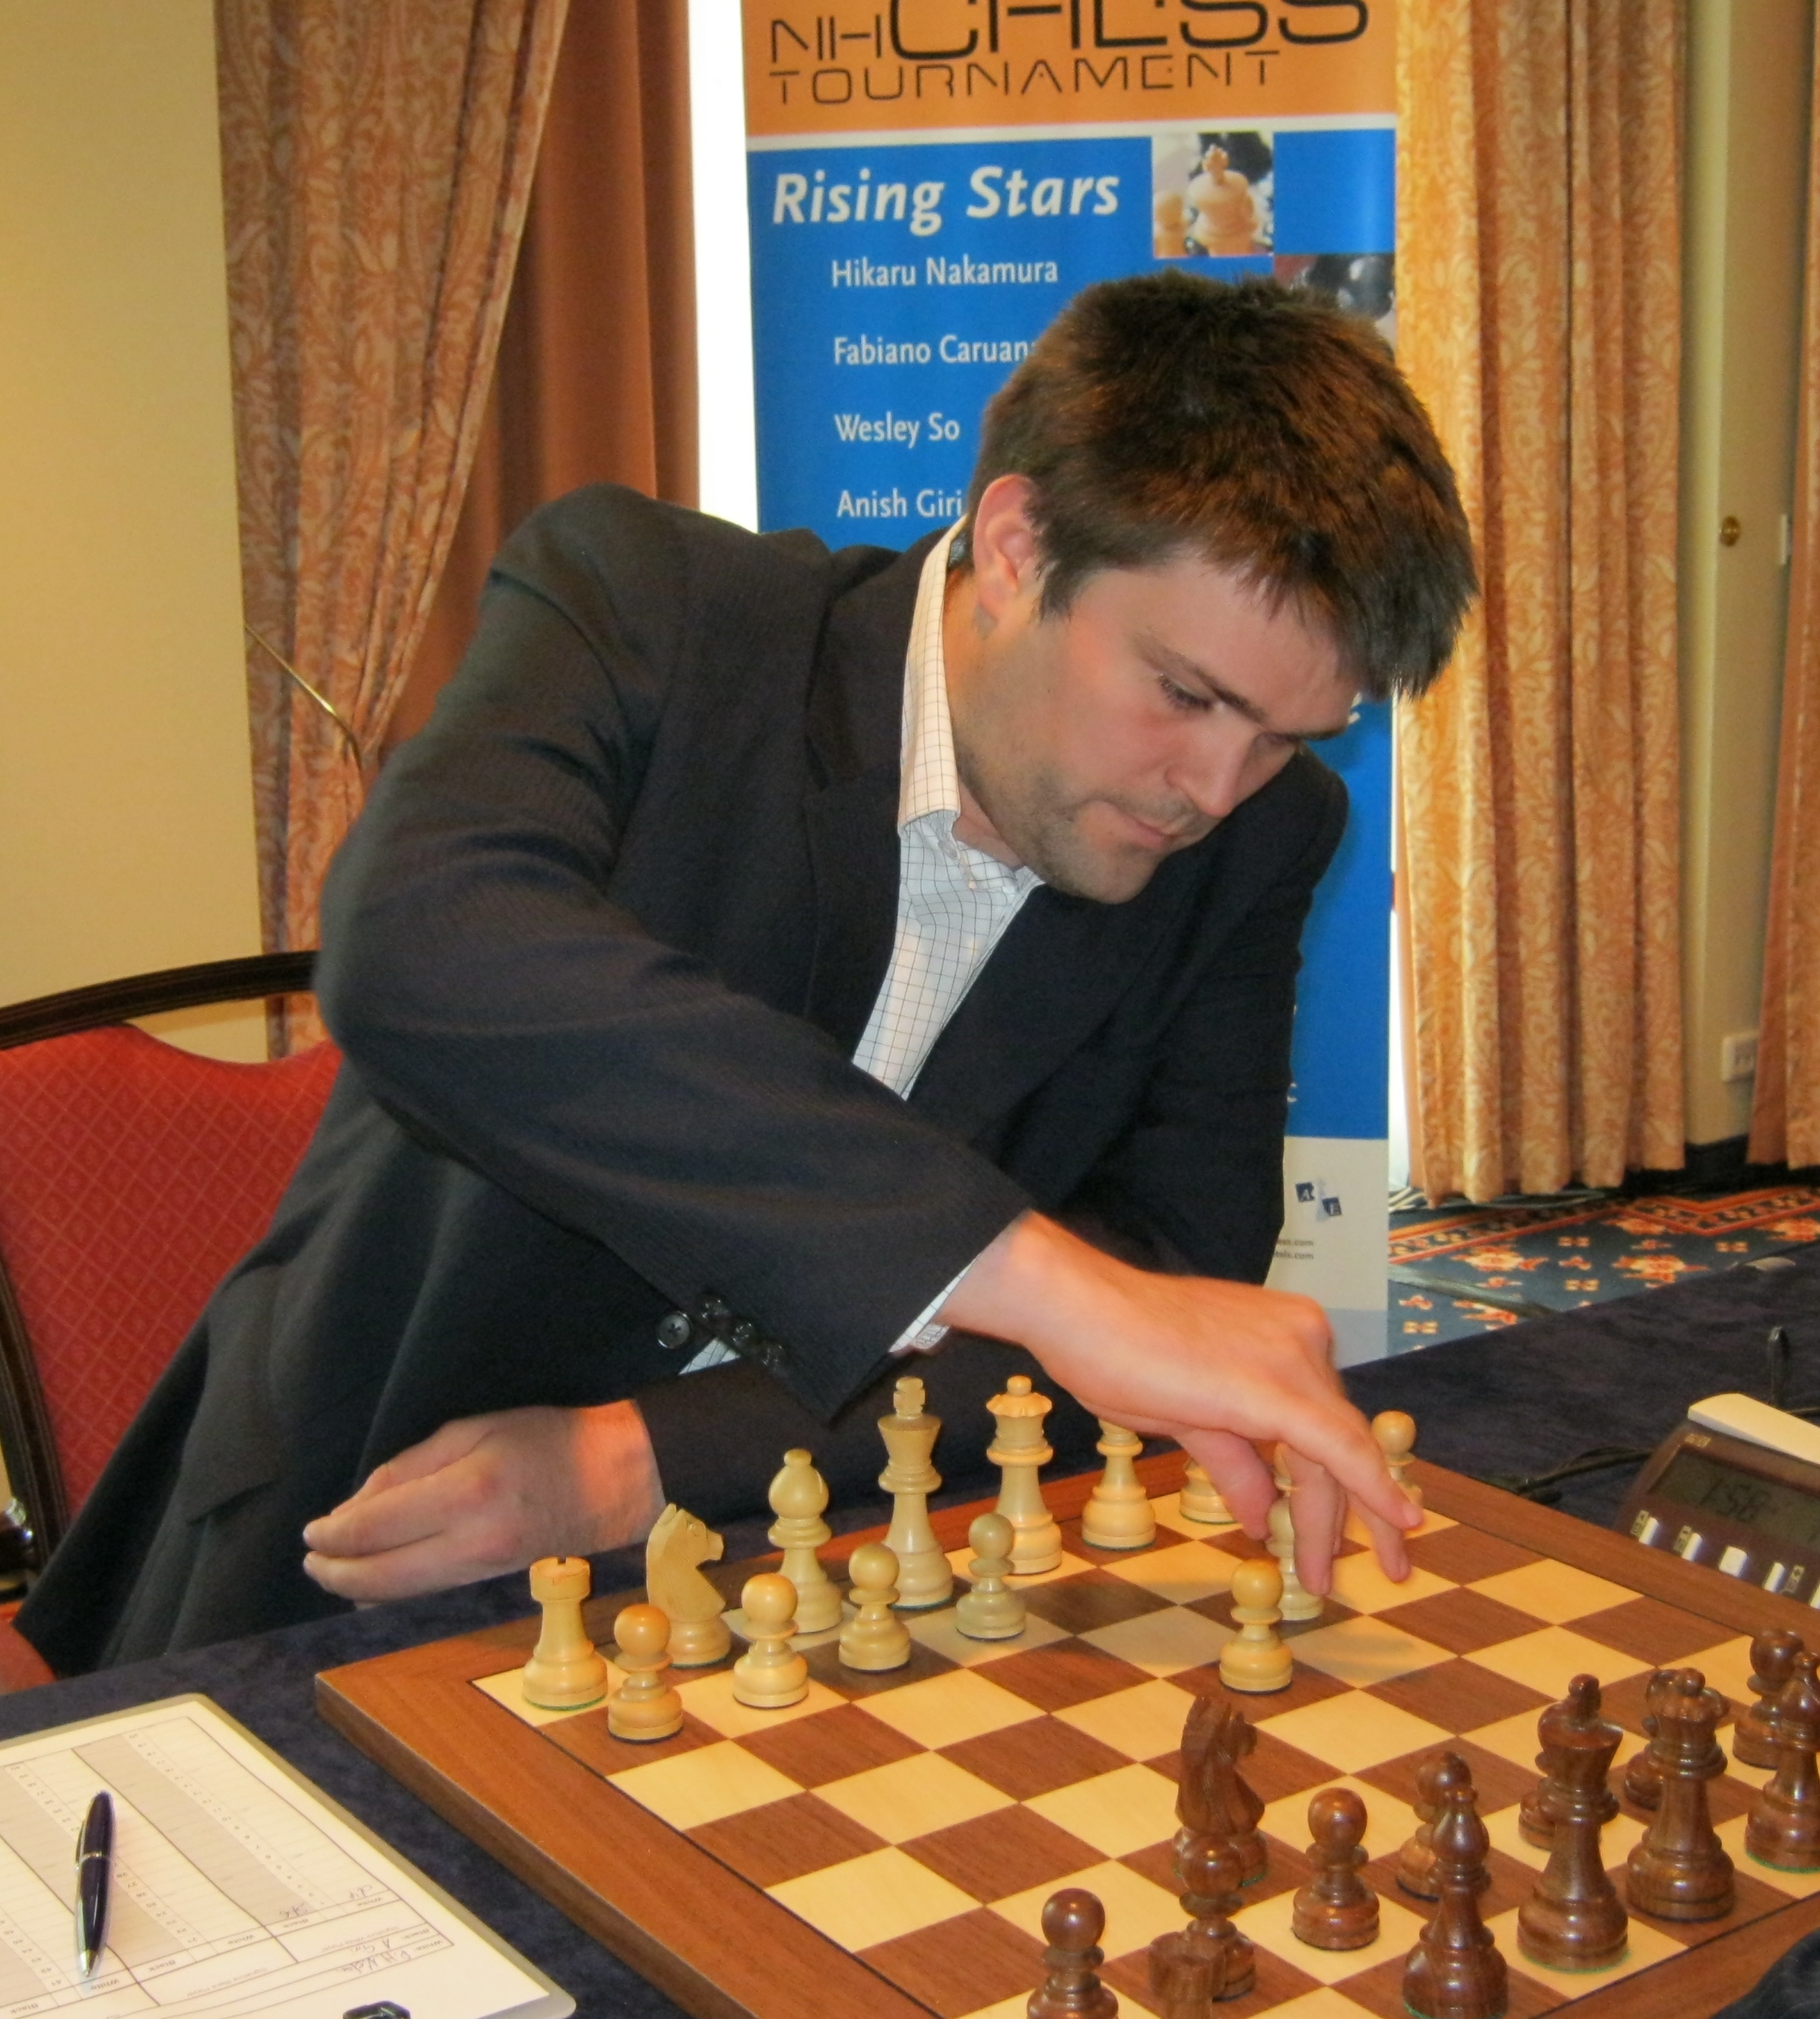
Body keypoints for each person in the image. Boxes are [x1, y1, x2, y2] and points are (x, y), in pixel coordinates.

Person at [15, 272, 1476, 1674]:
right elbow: (422, 936)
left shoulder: (1266, 834)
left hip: (836, 1549)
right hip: (364, 1511)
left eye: (1289, 733)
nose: (1214, 788)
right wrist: (1031, 1276)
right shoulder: (653, 607)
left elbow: (1170, 1269)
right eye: (1183, 693)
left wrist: (639, 1460)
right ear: (1019, 546)